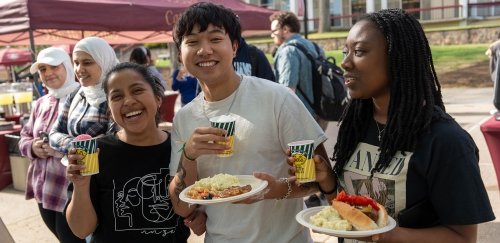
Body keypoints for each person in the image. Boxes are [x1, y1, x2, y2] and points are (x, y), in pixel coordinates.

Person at [317, 9, 495, 242]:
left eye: (359, 51)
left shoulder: (445, 141)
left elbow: (463, 238)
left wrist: (392, 235)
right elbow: (349, 211)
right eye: (345, 51)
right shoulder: (356, 126)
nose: (345, 62)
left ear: (397, 56)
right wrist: (328, 182)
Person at [167, 3, 335, 243]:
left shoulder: (277, 98)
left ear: (234, 47)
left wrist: (276, 189)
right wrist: (189, 155)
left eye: (215, 39)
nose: (204, 50)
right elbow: (182, 207)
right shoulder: (184, 119)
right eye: (192, 42)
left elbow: (316, 180)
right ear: (181, 53)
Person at [64, 62, 198, 242]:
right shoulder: (96, 153)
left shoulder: (181, 148)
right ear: (110, 111)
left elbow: (195, 207)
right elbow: (81, 230)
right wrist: (81, 186)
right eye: (117, 96)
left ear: (158, 98)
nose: (128, 101)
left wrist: (200, 215)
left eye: (137, 91)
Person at [19, 47, 82, 242]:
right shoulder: (41, 103)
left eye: (54, 66)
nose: (48, 73)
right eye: (42, 69)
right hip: (43, 191)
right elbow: (24, 137)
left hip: (70, 192)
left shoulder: (83, 99)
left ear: (67, 67)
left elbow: (93, 142)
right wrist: (33, 148)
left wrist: (58, 149)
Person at [49, 37, 118, 156]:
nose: (79, 69)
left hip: (108, 172)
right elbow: (53, 134)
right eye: (76, 63)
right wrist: (76, 145)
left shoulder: (117, 95)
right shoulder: (76, 94)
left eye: (87, 63)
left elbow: (115, 141)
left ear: (104, 61)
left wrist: (80, 145)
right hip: (76, 170)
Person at [269, 11, 328, 131]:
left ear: (285, 29)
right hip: (322, 112)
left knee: (298, 150)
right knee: (315, 149)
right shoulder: (314, 46)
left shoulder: (288, 51)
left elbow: (287, 91)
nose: (271, 35)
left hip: (301, 119)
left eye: (274, 31)